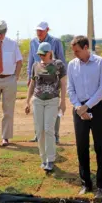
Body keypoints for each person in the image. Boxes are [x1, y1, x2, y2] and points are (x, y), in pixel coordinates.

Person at [67, 36, 102, 198]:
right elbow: (70, 89)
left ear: (86, 48)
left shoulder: (100, 62)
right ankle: (86, 183)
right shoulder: (72, 65)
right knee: (81, 147)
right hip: (79, 109)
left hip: (97, 108)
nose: (75, 54)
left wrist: (87, 106)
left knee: (100, 147)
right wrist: (79, 107)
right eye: (73, 51)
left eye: (77, 51)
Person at [25, 43, 67, 172]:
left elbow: (63, 84)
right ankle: (43, 159)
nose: (41, 56)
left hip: (52, 100)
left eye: (43, 54)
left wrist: (63, 102)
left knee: (49, 129)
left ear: (50, 52)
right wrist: (27, 101)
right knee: (40, 131)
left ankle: (50, 159)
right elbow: (32, 84)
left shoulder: (58, 64)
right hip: (37, 100)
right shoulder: (35, 66)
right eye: (40, 54)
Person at [28, 22, 67, 144]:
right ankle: (38, 134)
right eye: (37, 31)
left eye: (41, 30)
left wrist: (62, 78)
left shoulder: (55, 41)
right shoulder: (33, 42)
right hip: (38, 77)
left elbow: (61, 59)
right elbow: (31, 60)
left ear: (47, 30)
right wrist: (30, 76)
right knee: (37, 105)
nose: (39, 33)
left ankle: (55, 135)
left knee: (53, 105)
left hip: (53, 78)